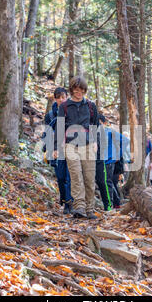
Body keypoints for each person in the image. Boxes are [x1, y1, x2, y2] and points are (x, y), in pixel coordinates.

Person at [54, 76, 99, 219]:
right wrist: (56, 147)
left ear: (85, 90)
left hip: (88, 144)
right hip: (70, 144)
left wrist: (95, 142)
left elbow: (95, 125)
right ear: (72, 90)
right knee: (76, 176)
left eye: (81, 90)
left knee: (89, 178)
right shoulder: (65, 106)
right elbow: (59, 127)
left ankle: (90, 208)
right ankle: (79, 207)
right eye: (76, 90)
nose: (78, 92)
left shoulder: (91, 106)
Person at [43, 87, 73, 214]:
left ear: (67, 97)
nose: (61, 99)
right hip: (55, 150)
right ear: (55, 98)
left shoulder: (71, 112)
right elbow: (47, 133)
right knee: (60, 177)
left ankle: (68, 203)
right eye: (59, 97)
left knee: (68, 176)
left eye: (64, 97)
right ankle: (63, 198)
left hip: (70, 147)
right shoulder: (50, 115)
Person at [95, 114, 115, 212]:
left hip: (105, 161)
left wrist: (112, 157)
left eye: (100, 122)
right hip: (91, 158)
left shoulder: (109, 131)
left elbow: (122, 142)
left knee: (104, 182)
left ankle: (108, 205)